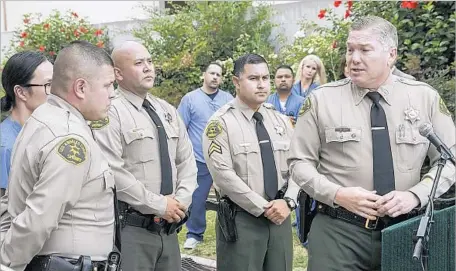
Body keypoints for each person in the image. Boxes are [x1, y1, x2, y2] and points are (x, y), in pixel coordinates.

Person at [288, 16, 455, 271]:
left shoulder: (424, 98)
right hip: (338, 231)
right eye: (350, 49)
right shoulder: (322, 101)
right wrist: (338, 194)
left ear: (391, 55)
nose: (354, 58)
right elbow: (299, 163)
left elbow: (449, 159)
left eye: (365, 50)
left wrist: (415, 195)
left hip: (406, 230)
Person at [0, 41, 117, 271]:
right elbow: (38, 218)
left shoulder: (46, 117)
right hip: (65, 264)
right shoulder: (68, 136)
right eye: (108, 85)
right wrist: (7, 263)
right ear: (81, 88)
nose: (113, 94)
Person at [92, 40, 197, 271]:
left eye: (149, 61)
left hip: (169, 229)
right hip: (132, 230)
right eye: (139, 63)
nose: (148, 67)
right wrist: (160, 205)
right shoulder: (110, 113)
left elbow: (187, 161)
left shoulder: (167, 110)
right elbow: (113, 171)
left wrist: (181, 202)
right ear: (117, 73)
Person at [202, 53, 299, 271]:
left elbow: (297, 165)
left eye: (265, 78)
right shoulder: (220, 124)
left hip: (280, 217)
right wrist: (264, 207)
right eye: (254, 79)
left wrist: (289, 201)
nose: (262, 85)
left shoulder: (280, 121)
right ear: (236, 82)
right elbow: (223, 175)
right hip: (242, 221)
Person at [178, 62, 233, 250]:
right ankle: (194, 233)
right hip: (200, 159)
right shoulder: (190, 99)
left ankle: (232, 232)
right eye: (212, 73)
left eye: (219, 74)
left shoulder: (228, 99)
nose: (215, 77)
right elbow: (180, 129)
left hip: (224, 159)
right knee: (197, 198)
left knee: (232, 197)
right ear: (204, 75)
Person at [0, 51, 53, 196]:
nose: (54, 92)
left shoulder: (45, 130)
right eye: (49, 84)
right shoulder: (5, 147)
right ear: (21, 92)